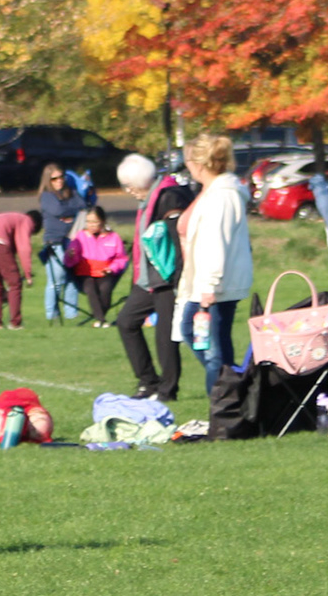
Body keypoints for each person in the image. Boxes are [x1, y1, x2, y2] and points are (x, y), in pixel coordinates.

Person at [176, 132, 253, 395]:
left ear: (199, 164)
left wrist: (209, 286)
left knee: (211, 349)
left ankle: (224, 399)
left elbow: (216, 242)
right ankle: (234, 390)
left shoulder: (221, 196)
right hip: (213, 283)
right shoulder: (214, 192)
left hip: (216, 285)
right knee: (204, 339)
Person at [113, 153, 193, 401]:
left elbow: (178, 241)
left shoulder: (169, 196)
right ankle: (148, 381)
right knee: (126, 321)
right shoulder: (149, 198)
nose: (128, 191)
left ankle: (168, 390)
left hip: (167, 278)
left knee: (165, 336)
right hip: (147, 279)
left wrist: (179, 280)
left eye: (129, 186)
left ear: (141, 182)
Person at [37, 163, 86, 324]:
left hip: (72, 242)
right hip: (55, 242)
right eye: (54, 179)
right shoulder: (46, 196)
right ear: (48, 180)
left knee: (72, 278)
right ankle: (52, 313)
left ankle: (71, 313)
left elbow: (82, 206)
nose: (59, 181)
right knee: (56, 280)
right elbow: (58, 211)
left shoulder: (71, 192)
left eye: (61, 177)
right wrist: (70, 212)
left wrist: (67, 213)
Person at [0, 209, 38, 329]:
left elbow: (10, 252)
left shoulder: (10, 218)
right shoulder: (27, 220)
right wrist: (28, 274)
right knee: (15, 284)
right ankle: (15, 323)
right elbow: (24, 247)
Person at [68, 208, 127, 329]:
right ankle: (101, 320)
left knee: (106, 289)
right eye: (88, 222)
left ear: (102, 221)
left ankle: (99, 319)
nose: (91, 225)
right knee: (90, 289)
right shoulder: (80, 236)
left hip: (105, 272)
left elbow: (121, 258)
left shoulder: (113, 237)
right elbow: (70, 260)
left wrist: (112, 268)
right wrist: (71, 255)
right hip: (85, 273)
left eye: (95, 222)